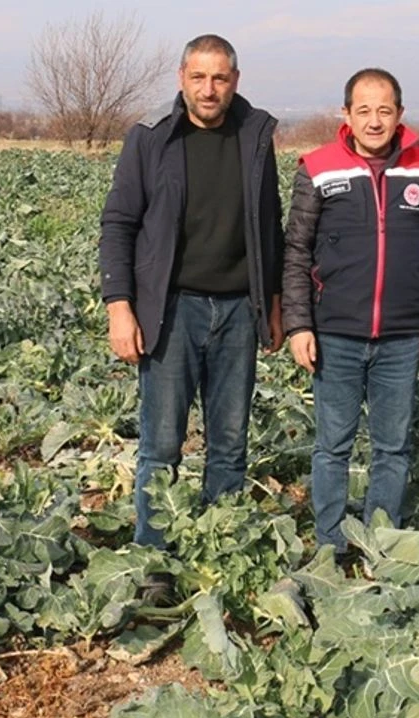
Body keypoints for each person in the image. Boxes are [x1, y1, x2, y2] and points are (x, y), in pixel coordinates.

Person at [99, 34, 285, 553]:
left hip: (237, 313)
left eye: (220, 78)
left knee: (229, 444)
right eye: (199, 77)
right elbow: (118, 224)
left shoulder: (256, 136)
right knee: (161, 447)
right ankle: (153, 555)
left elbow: (270, 224)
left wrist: (273, 301)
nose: (209, 89)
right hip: (171, 311)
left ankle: (218, 548)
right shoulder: (151, 137)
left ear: (235, 82)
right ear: (181, 78)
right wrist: (120, 307)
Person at [282, 68, 419, 562]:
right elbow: (295, 250)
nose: (374, 120)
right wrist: (299, 324)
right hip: (334, 333)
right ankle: (330, 543)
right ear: (347, 115)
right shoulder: (318, 168)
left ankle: (379, 543)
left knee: (392, 447)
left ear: (400, 115)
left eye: (384, 110)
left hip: (403, 337)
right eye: (364, 110)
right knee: (332, 446)